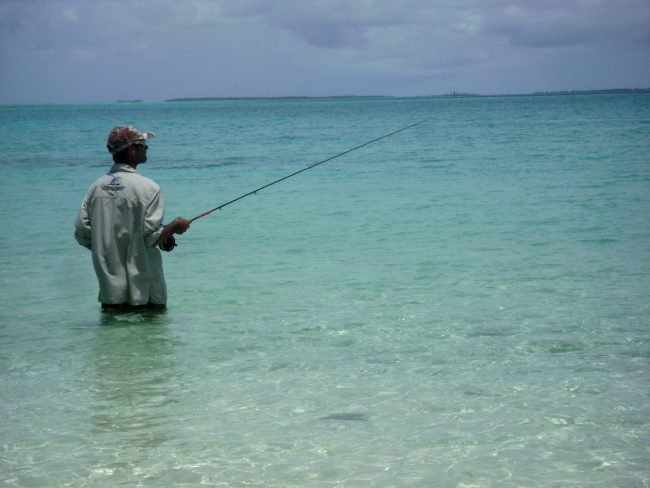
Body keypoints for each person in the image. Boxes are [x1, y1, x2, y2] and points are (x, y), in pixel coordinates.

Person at [75, 125, 191, 311]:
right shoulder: (149, 188)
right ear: (131, 149)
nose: (146, 148)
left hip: (110, 296)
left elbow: (82, 234)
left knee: (112, 340)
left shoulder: (95, 189)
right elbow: (151, 237)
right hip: (146, 295)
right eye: (143, 144)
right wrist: (175, 226)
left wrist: (108, 246)